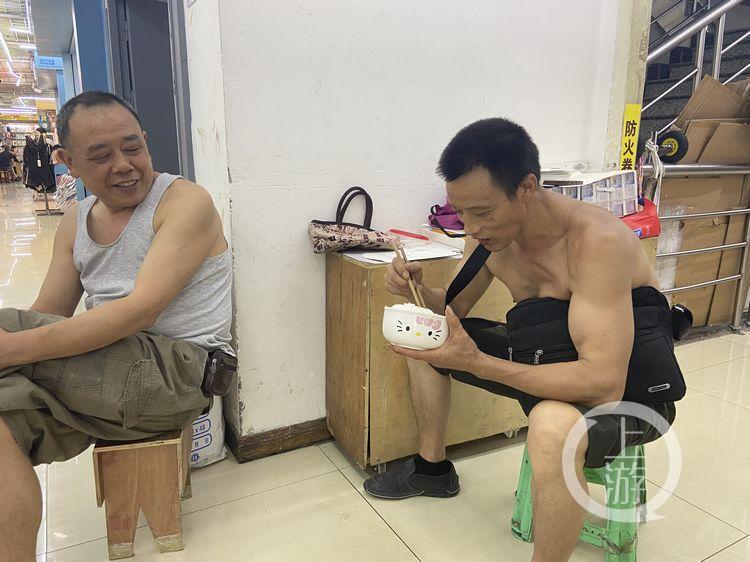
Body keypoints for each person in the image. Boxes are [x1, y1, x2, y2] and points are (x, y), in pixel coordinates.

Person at [363, 118, 685, 562]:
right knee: (427, 336)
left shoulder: (597, 242)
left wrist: (481, 364)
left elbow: (603, 383)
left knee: (553, 426)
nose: (471, 227)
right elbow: (453, 310)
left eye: (482, 212)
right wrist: (415, 289)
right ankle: (432, 469)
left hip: (631, 391)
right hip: (542, 358)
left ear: (527, 187)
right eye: (462, 213)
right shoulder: (492, 238)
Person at [0, 91, 233, 561]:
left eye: (132, 147)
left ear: (145, 141)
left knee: (8, 327)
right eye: (101, 156)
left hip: (178, 373)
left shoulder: (184, 201)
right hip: (107, 374)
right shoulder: (75, 220)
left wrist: (10, 350)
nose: (124, 165)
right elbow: (49, 314)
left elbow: (139, 311)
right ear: (67, 162)